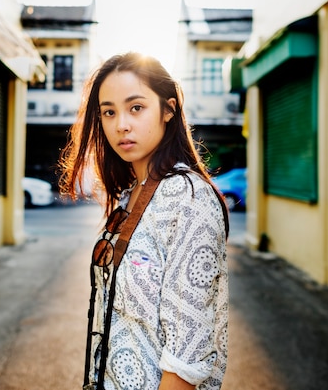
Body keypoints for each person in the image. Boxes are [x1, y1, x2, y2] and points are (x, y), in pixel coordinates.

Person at [58, 52, 229, 390]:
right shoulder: (128, 194)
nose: (121, 123)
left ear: (168, 110)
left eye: (136, 107)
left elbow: (186, 360)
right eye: (109, 112)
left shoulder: (188, 199)